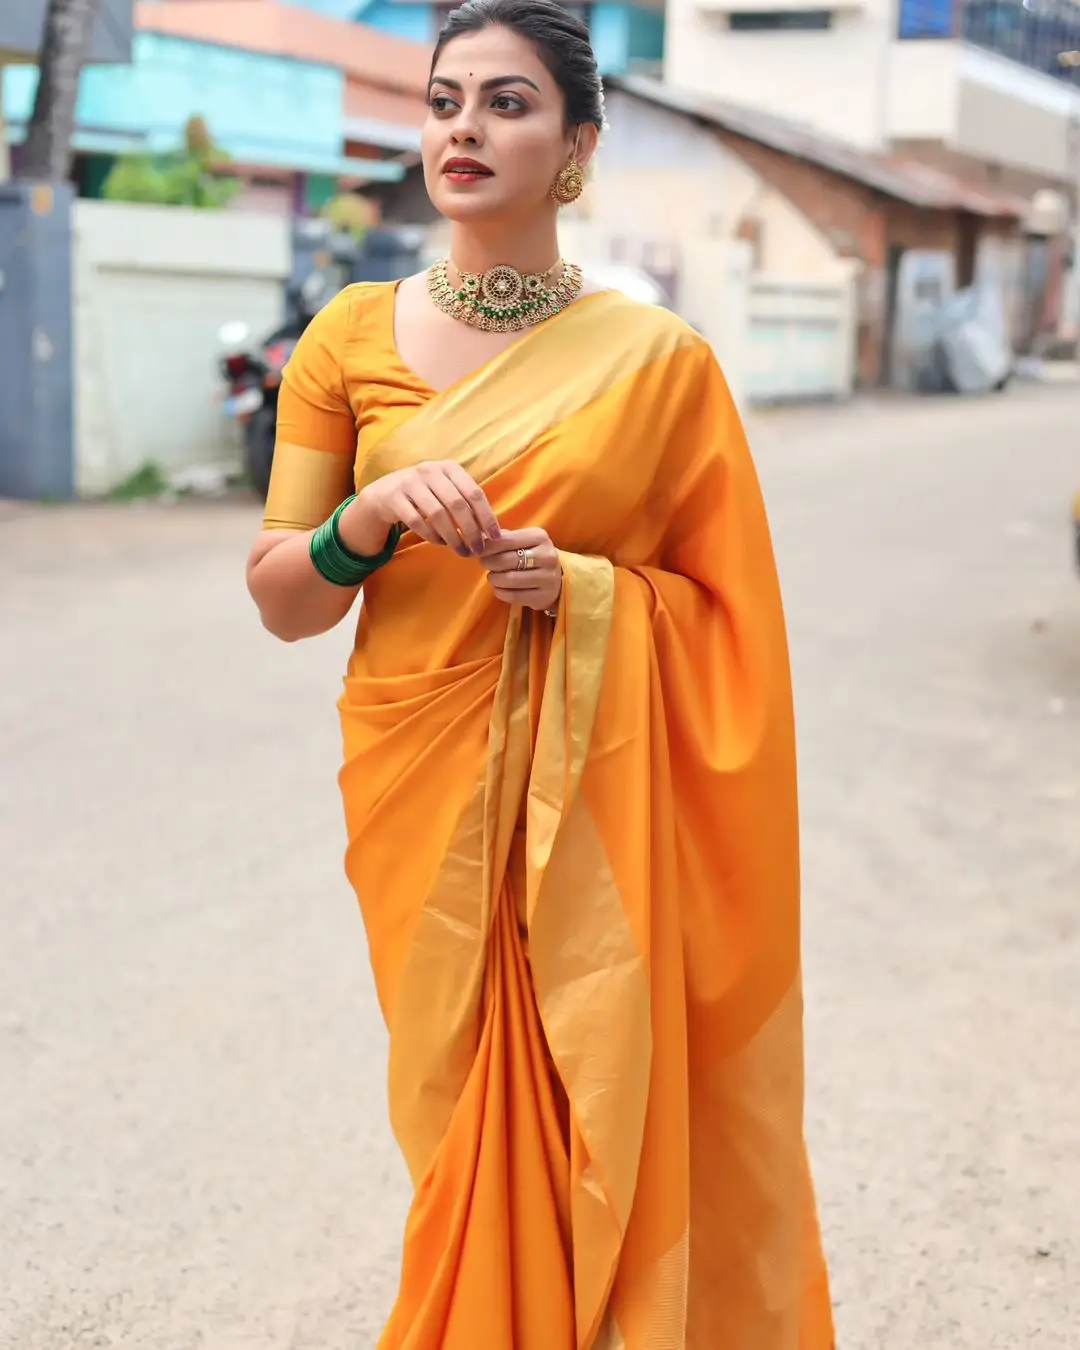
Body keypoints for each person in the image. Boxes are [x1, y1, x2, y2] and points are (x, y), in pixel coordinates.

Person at [245, 0, 833, 1344]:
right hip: (423, 794)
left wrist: (577, 589)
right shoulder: (345, 339)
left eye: (507, 102)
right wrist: (370, 519)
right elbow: (283, 598)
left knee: (603, 1087)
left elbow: (733, 623)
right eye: (445, 99)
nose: (465, 127)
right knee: (459, 1122)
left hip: (601, 815)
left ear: (576, 142)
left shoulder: (662, 366)